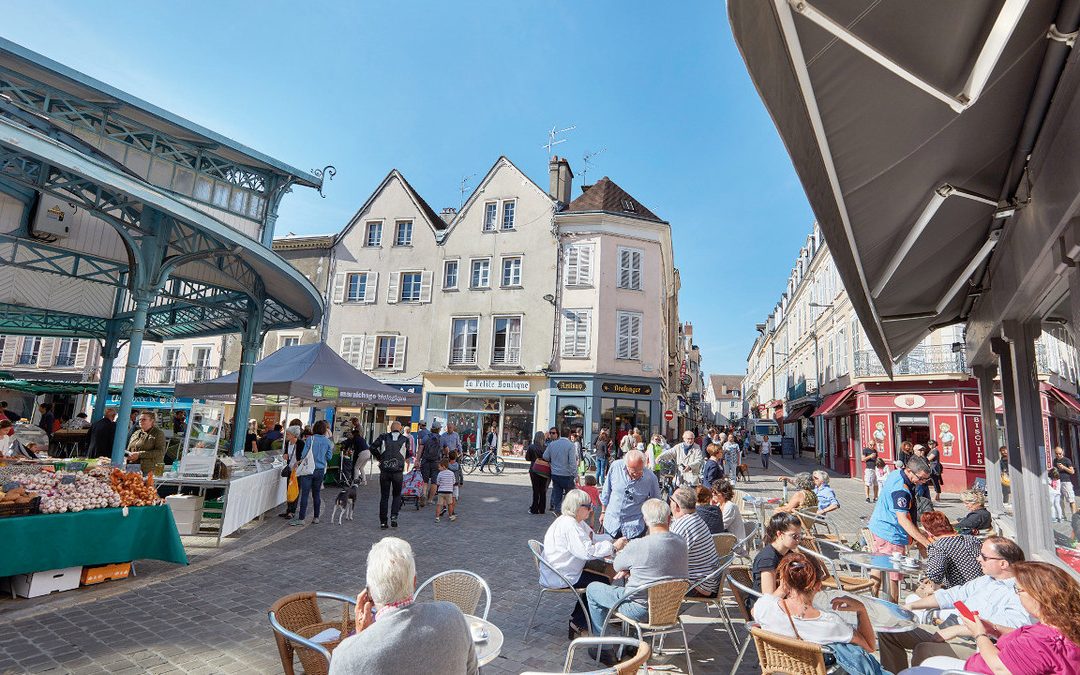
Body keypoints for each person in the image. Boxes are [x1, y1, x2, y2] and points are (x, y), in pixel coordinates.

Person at [900, 560, 1080, 675]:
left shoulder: (1041, 640)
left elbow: (1001, 667)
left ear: (1038, 596)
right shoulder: (1061, 626)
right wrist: (993, 628)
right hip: (981, 655)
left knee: (916, 669)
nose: (1017, 594)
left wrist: (979, 634)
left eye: (1019, 590)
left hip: (980, 667)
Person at [329, 537, 478, 675]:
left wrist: (361, 637)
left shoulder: (345, 656)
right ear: (414, 582)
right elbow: (472, 672)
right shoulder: (453, 616)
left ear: (369, 594)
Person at [881, 536, 1032, 671]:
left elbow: (1010, 629)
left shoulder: (1019, 592)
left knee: (924, 650)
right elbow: (950, 595)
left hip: (976, 644)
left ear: (1003, 564)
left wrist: (958, 630)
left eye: (984, 556)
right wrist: (910, 606)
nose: (978, 559)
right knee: (890, 630)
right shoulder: (987, 580)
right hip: (950, 626)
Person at [585, 498, 688, 648]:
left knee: (593, 589)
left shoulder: (639, 545)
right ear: (668, 518)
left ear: (645, 520)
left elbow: (617, 565)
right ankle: (632, 640)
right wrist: (633, 568)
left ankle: (601, 646)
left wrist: (629, 567)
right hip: (670, 608)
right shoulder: (681, 542)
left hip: (639, 609)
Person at [541, 489, 628, 638]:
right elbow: (586, 552)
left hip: (565, 568)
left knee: (606, 570)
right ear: (577, 507)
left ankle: (587, 615)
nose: (591, 509)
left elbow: (593, 538)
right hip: (562, 574)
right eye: (588, 506)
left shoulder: (575, 522)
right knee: (601, 582)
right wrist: (613, 547)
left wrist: (612, 541)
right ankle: (579, 622)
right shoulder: (570, 525)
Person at [753, 551, 879, 654]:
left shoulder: (764, 607)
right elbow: (869, 646)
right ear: (818, 585)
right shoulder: (830, 623)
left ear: (784, 581)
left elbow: (754, 611)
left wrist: (782, 589)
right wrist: (861, 610)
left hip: (778, 671)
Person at [868, 456, 934, 602]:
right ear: (909, 471)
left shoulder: (896, 473)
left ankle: (873, 601)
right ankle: (893, 609)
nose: (923, 483)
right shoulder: (901, 490)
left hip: (879, 527)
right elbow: (902, 520)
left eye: (926, 480)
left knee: (878, 566)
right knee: (894, 575)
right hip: (891, 533)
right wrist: (927, 543)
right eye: (921, 479)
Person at [669, 487, 721, 596]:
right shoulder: (695, 518)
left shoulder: (682, 526)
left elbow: (668, 560)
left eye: (671, 499)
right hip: (710, 581)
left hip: (700, 586)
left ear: (676, 505)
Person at [599, 449, 660, 539]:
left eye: (639, 471)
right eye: (632, 471)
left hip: (634, 527)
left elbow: (656, 502)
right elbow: (606, 491)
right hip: (612, 522)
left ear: (644, 465)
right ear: (626, 465)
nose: (635, 474)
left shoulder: (650, 478)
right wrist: (603, 511)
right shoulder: (616, 467)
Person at [919, 511, 982, 591]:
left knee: (915, 596)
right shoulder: (971, 539)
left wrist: (932, 590)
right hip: (981, 588)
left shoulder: (937, 547)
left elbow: (935, 574)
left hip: (960, 593)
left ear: (929, 532)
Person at [292, 420, 333, 526]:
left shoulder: (311, 439)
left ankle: (301, 518)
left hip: (308, 469)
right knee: (317, 494)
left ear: (314, 429)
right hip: (320, 470)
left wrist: (300, 461)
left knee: (304, 494)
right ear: (324, 430)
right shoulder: (328, 442)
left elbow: (304, 454)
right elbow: (329, 457)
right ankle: (316, 517)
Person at [370, 421, 410, 529]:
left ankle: (383, 522)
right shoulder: (405, 439)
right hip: (398, 471)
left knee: (384, 496)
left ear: (390, 428)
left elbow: (372, 447)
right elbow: (408, 454)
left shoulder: (383, 437)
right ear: (400, 429)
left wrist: (380, 457)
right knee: (396, 495)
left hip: (385, 471)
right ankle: (394, 517)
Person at [753, 512, 803, 597]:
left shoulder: (788, 552)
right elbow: (768, 598)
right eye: (794, 536)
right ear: (779, 534)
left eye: (800, 536)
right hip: (763, 606)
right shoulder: (767, 559)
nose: (798, 540)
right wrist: (786, 587)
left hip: (781, 601)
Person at [543, 427, 578, 514]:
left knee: (557, 493)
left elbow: (545, 456)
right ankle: (567, 511)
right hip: (567, 474)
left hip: (555, 473)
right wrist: (575, 475)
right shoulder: (570, 445)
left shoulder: (553, 444)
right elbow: (572, 462)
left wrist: (553, 460)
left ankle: (557, 510)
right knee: (569, 495)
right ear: (569, 434)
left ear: (560, 433)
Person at [278, 426, 305, 518]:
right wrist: (285, 455)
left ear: (294, 435)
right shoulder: (287, 443)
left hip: (297, 471)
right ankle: (288, 510)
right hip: (290, 469)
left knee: (295, 490)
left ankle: (292, 511)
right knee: (289, 489)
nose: (286, 435)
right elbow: (286, 454)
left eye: (288, 434)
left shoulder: (301, 443)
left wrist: (298, 462)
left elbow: (304, 457)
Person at [418, 421, 442, 508]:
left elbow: (420, 449)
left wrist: (417, 460)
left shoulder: (426, 437)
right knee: (434, 481)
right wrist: (446, 455)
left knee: (425, 480)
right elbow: (446, 449)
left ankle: (424, 494)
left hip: (425, 461)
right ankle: (430, 500)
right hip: (436, 462)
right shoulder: (441, 438)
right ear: (439, 429)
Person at [526, 431, 550, 515]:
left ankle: (534, 508)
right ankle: (542, 508)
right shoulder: (546, 447)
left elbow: (527, 458)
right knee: (543, 490)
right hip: (544, 469)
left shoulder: (531, 447)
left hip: (534, 469)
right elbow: (548, 458)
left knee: (535, 489)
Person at [1053, 446, 1077, 514]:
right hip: (1057, 482)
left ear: (1062, 452)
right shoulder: (1055, 460)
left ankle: (1074, 516)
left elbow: (1072, 472)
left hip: (1066, 482)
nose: (1058, 455)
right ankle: (1062, 516)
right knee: (1059, 500)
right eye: (1056, 453)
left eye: (1060, 453)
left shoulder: (1067, 460)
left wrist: (1063, 467)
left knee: (1071, 499)